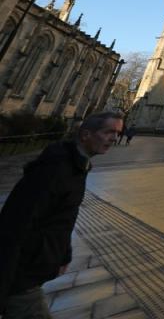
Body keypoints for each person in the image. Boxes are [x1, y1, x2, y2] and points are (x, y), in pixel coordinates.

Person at [0, 111, 123, 318]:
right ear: (85, 134)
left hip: (32, 269)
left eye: (118, 133)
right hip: (22, 275)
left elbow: (63, 217)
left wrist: (63, 253)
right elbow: (15, 223)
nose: (114, 138)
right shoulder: (56, 168)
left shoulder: (77, 165)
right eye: (109, 132)